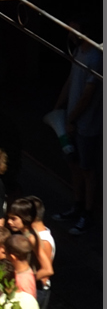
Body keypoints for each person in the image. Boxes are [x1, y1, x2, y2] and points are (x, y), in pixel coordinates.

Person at [54, 17, 101, 235]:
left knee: (87, 168)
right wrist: (58, 108)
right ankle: (77, 205)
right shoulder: (78, 53)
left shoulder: (95, 57)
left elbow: (88, 96)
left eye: (74, 27)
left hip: (87, 123)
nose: (69, 31)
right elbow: (70, 82)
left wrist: (72, 118)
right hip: (72, 119)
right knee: (74, 164)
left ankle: (88, 213)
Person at [6, 196, 56, 309]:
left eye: (13, 218)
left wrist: (26, 279)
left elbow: (47, 269)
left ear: (25, 218)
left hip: (36, 290)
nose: (9, 222)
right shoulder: (26, 236)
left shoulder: (32, 238)